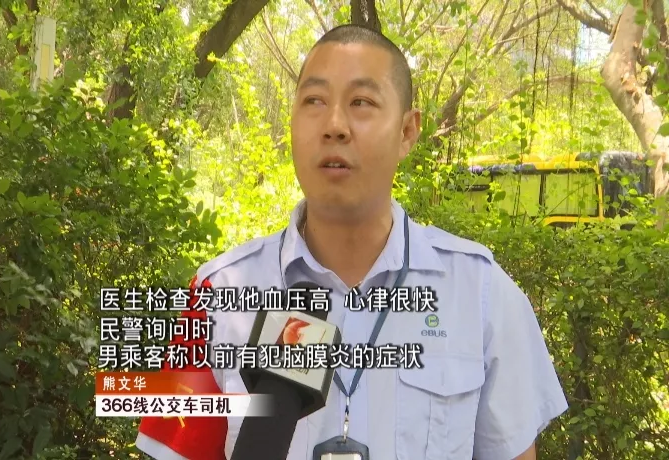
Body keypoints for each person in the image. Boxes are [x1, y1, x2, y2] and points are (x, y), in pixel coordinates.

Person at [135, 24, 568, 460]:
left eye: (361, 102)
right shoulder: (215, 297)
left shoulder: (481, 294)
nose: (334, 126)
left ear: (407, 132)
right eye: (314, 101)